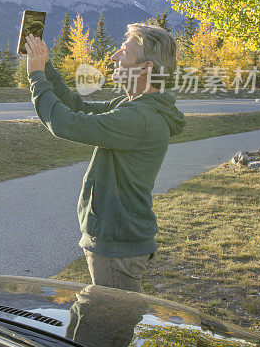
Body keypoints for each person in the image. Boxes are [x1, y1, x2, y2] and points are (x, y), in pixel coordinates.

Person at [24, 23, 186, 292]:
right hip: (117, 243)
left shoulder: (139, 118)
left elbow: (66, 123)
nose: (114, 57)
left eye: (124, 52)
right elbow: (78, 107)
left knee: (105, 329)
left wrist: (37, 76)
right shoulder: (134, 106)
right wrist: (47, 67)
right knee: (101, 326)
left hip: (117, 248)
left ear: (145, 68)